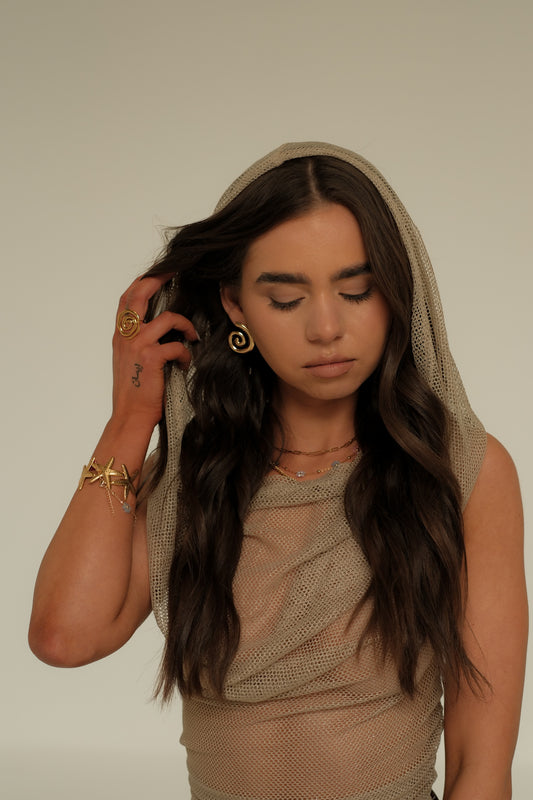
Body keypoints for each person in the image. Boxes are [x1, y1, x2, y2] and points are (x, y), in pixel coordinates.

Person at [29, 142, 527, 800]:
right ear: (236, 308)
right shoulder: (192, 474)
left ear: (396, 293)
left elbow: (479, 768)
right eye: (287, 299)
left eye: (356, 290)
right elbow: (66, 637)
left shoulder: (460, 469)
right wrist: (130, 418)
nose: (327, 326)